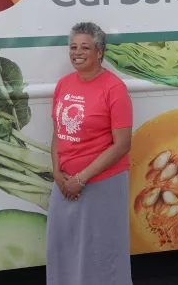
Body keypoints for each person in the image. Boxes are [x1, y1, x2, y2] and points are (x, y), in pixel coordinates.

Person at [46, 21, 134, 285]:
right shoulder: (64, 85)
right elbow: (58, 131)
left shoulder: (114, 89)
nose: (77, 52)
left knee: (100, 251)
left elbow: (122, 144)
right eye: (73, 47)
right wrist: (57, 171)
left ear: (99, 52)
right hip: (64, 183)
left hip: (101, 184)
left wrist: (81, 178)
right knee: (63, 245)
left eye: (85, 47)